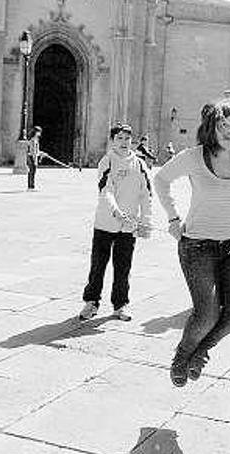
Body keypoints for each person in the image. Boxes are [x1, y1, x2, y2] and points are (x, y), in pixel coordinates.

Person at [153, 101, 230, 387]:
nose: (229, 130)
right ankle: (183, 356)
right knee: (208, 313)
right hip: (197, 246)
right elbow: (160, 180)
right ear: (210, 128)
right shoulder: (193, 156)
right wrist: (173, 219)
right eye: (222, 126)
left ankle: (201, 352)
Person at [78, 122, 153, 322]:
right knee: (98, 265)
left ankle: (120, 305)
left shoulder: (139, 164)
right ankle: (91, 302)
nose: (124, 142)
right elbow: (106, 189)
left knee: (123, 267)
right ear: (112, 141)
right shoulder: (107, 161)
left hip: (129, 226)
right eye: (119, 138)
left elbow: (146, 194)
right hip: (105, 222)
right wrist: (116, 211)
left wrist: (146, 220)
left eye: (127, 138)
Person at [26, 126, 46, 190]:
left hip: (31, 156)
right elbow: (33, 151)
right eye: (39, 132)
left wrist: (41, 153)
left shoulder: (35, 140)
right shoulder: (33, 140)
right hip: (31, 157)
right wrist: (35, 159)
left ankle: (31, 186)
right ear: (36, 132)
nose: (40, 133)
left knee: (32, 171)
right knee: (32, 171)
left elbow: (36, 150)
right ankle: (31, 186)